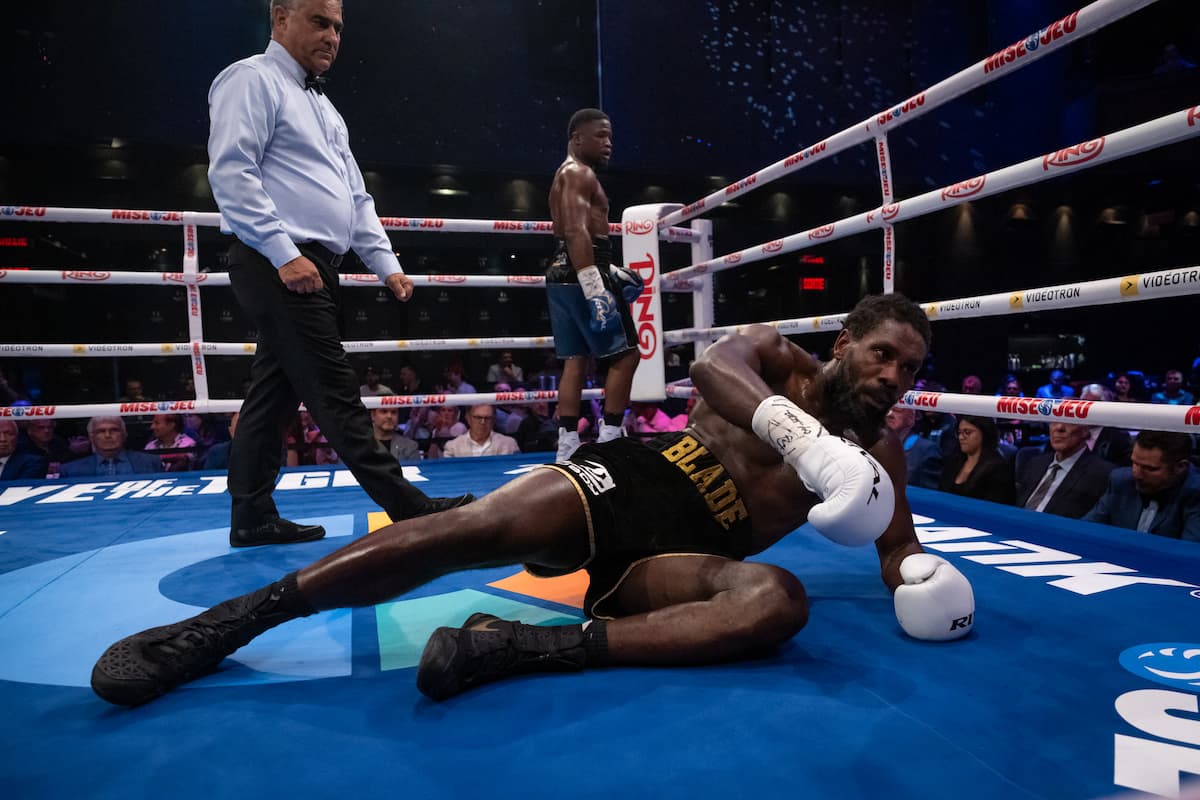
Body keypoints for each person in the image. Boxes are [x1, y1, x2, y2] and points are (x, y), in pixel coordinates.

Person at [91, 294, 975, 708]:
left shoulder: (883, 453)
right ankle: (233, 624)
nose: (895, 378)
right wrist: (807, 440)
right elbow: (710, 368)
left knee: (778, 600)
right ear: (845, 341)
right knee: (469, 528)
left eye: (910, 369)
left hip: (672, 566)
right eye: (884, 355)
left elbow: (896, 546)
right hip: (637, 478)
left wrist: (921, 576)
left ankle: (522, 648)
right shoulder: (777, 357)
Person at [206, 0, 471, 547]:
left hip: (315, 265)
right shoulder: (251, 79)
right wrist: (283, 253)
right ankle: (410, 508)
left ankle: (251, 515)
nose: (332, 37)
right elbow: (232, 171)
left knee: (271, 397)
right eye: (320, 22)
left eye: (339, 28)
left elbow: (355, 196)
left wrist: (386, 264)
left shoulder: (327, 110)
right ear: (280, 20)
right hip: (277, 262)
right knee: (334, 389)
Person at [547, 108, 645, 461]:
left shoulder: (563, 173)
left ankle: (568, 445)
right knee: (627, 355)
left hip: (562, 272)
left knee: (576, 359)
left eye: (611, 138)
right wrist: (595, 286)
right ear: (577, 139)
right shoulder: (579, 173)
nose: (608, 144)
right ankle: (610, 440)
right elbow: (576, 229)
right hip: (583, 270)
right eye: (601, 136)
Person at [1085, 430, 1200, 541]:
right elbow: (1085, 530)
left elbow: (1189, 553)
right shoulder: (1121, 481)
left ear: (1180, 467)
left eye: (1150, 469)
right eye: (1134, 463)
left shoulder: (1195, 492)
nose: (1137, 474)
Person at [1015, 422, 1114, 518]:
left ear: (1085, 430)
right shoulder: (1035, 463)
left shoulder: (1103, 474)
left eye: (1069, 422)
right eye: (1054, 421)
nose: (1059, 427)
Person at [938, 416, 1015, 505]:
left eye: (967, 432)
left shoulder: (999, 468)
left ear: (984, 433)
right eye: (959, 433)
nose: (961, 437)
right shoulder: (954, 461)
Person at [59, 417, 164, 477]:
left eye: (114, 430)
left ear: (124, 434)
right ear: (91, 437)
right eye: (101, 431)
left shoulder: (151, 462)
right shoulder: (70, 470)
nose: (108, 435)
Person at [442, 404, 521, 457]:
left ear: (493, 419)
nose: (482, 422)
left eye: (487, 418)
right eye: (478, 417)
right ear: (468, 418)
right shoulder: (452, 447)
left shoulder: (510, 444)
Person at [370, 397, 421, 464]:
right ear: (373, 415)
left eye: (393, 412)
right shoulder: (360, 445)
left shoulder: (410, 447)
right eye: (384, 411)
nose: (389, 416)